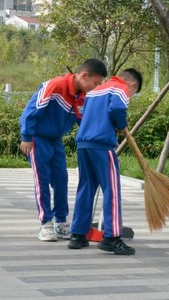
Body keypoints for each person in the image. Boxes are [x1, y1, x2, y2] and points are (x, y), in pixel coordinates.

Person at [19, 59, 107, 242]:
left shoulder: (82, 96)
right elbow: (31, 110)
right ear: (84, 75)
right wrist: (26, 136)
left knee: (61, 179)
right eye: (96, 83)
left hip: (55, 141)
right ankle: (45, 223)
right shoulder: (55, 85)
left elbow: (85, 122)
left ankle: (61, 222)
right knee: (41, 180)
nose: (96, 87)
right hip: (37, 139)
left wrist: (101, 140)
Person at [67, 68, 143, 255]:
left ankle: (78, 235)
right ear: (132, 85)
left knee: (86, 187)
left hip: (84, 143)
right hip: (102, 144)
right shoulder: (120, 88)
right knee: (112, 189)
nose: (130, 95)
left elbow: (85, 114)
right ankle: (112, 237)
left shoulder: (95, 91)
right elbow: (117, 108)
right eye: (133, 92)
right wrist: (121, 125)